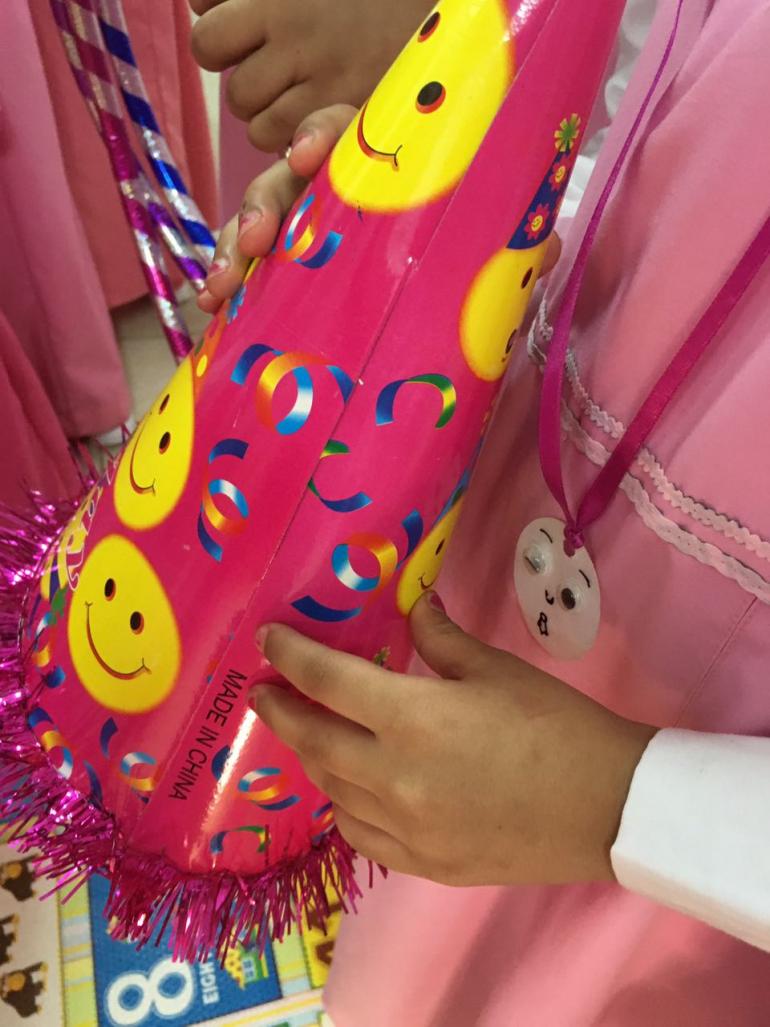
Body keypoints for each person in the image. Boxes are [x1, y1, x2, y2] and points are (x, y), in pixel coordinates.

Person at [192, 0, 770, 1022]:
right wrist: (441, 227)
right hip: (483, 689)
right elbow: (653, 122)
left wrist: (623, 803)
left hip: (695, 909)